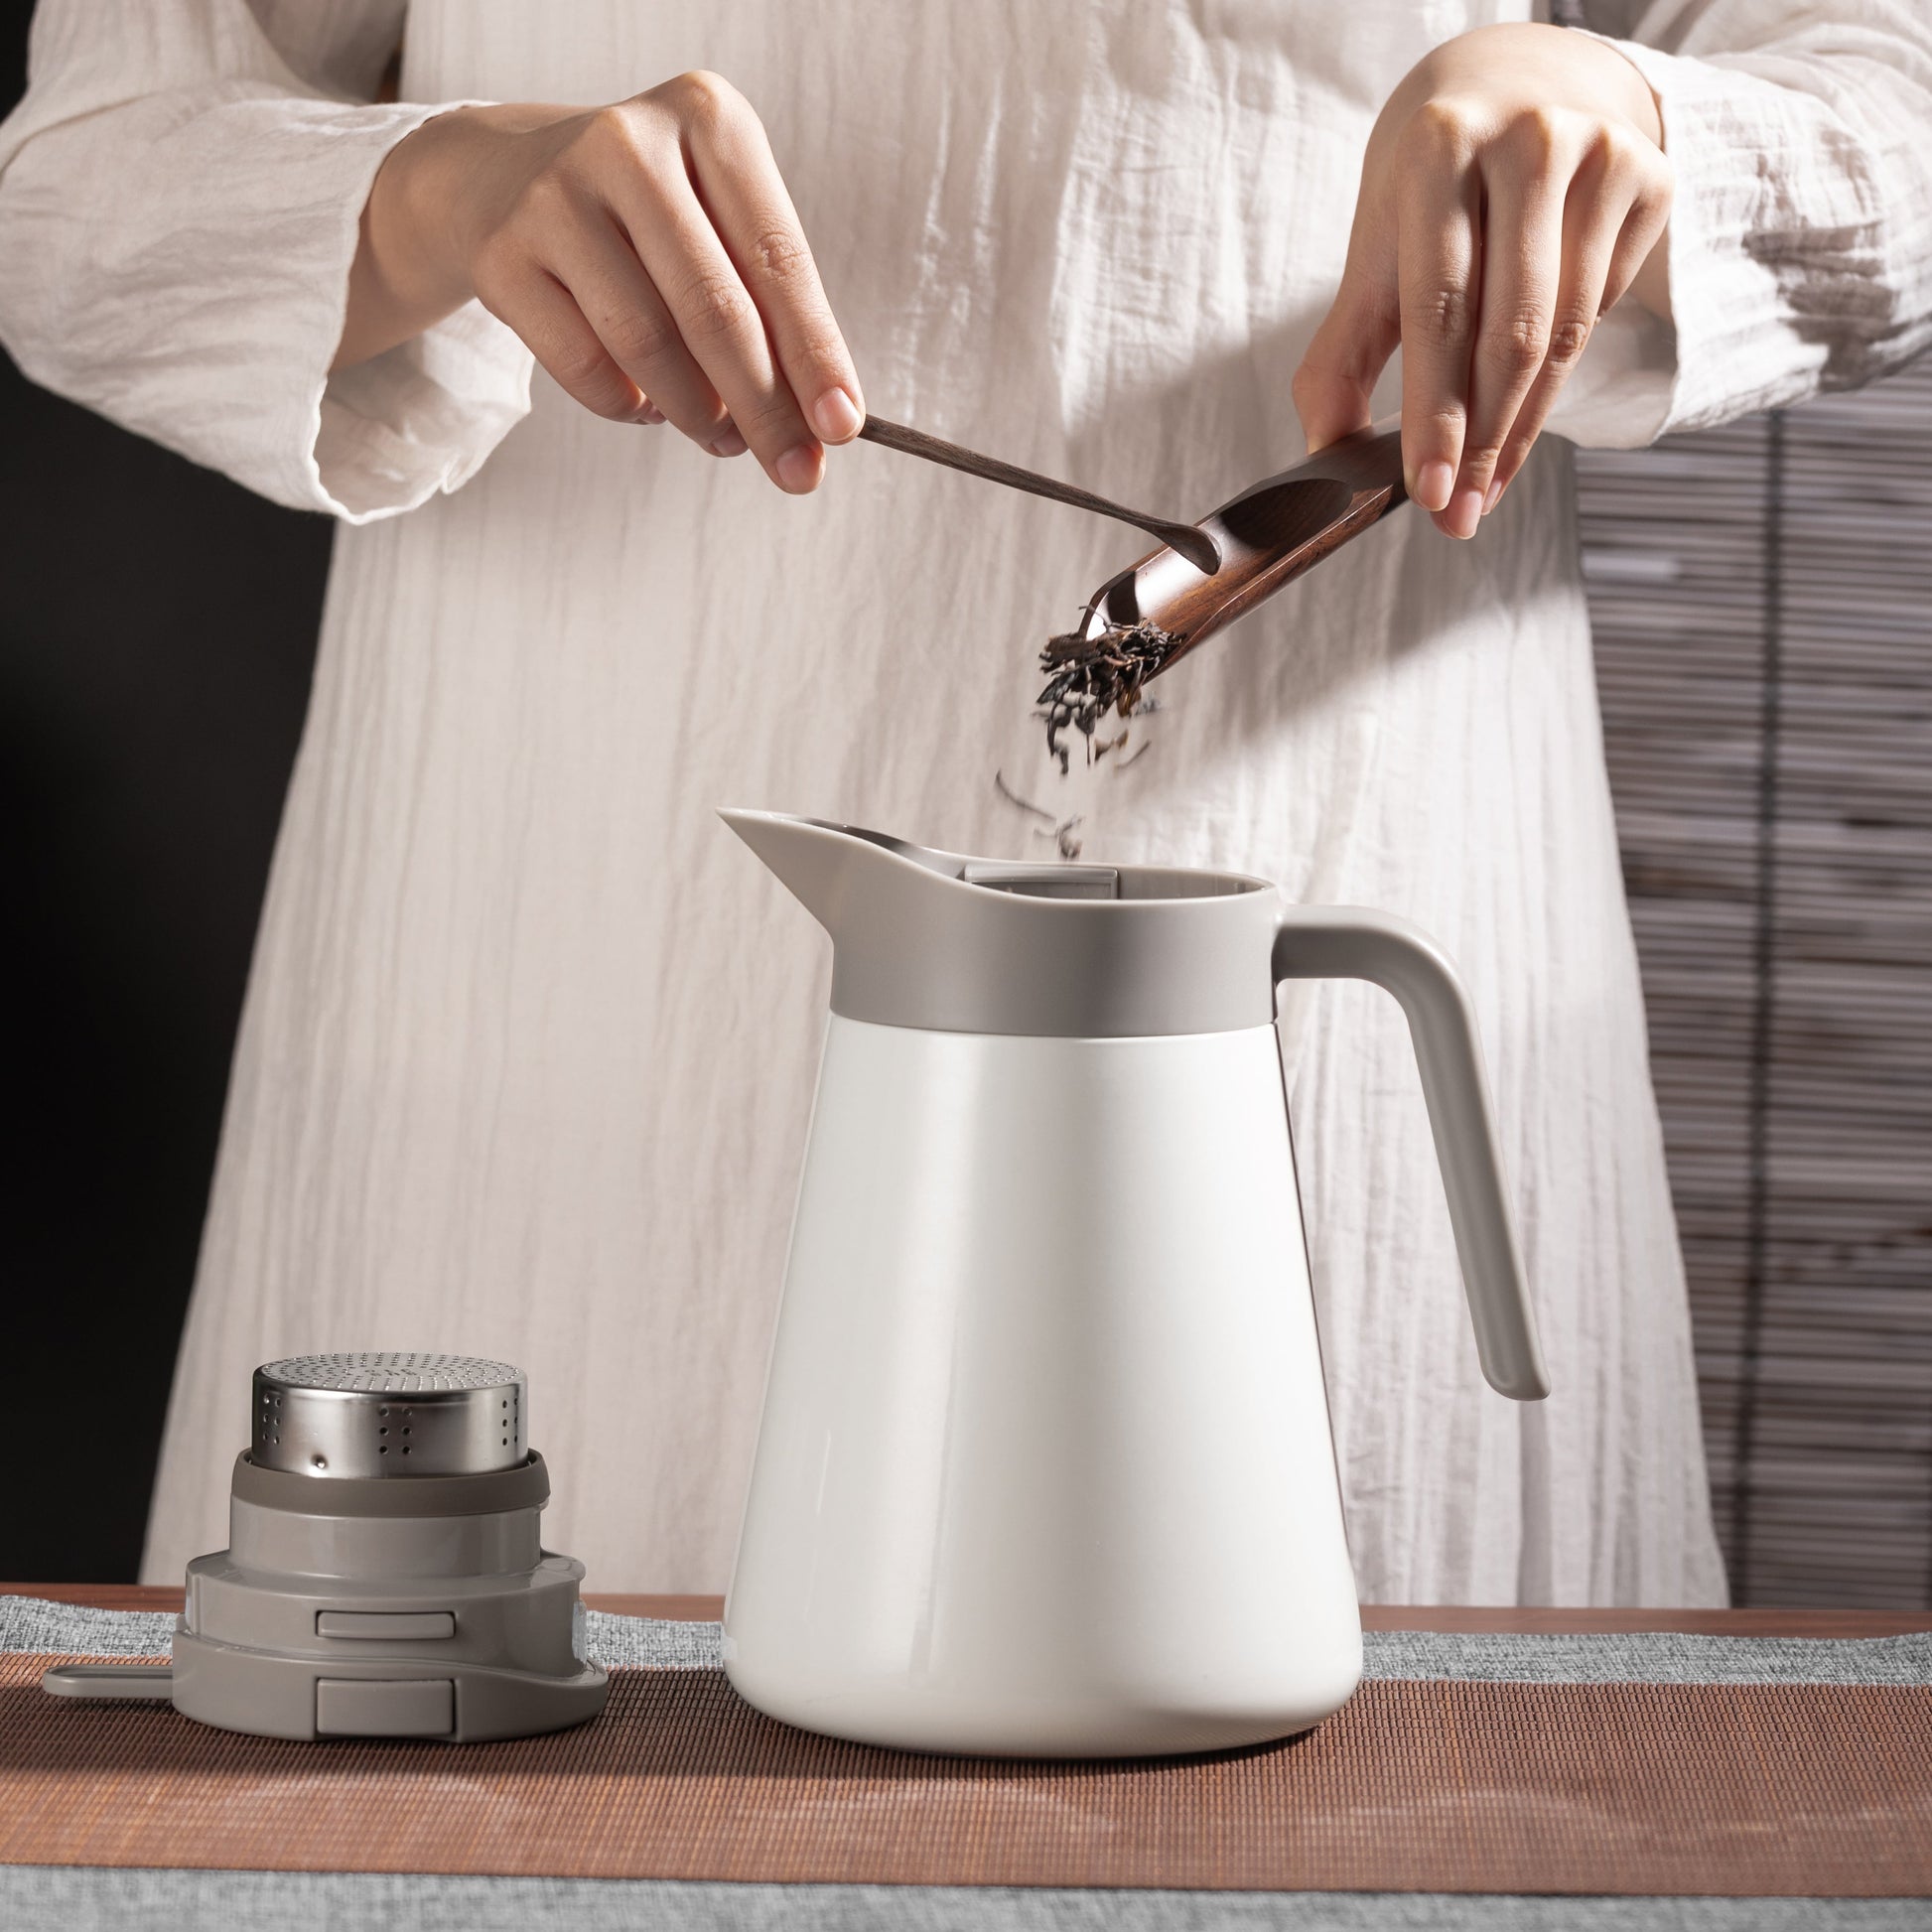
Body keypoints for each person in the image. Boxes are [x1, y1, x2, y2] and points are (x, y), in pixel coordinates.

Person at [3, 0, 1927, 1603]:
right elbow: (83, 189)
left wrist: (1624, 122)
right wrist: (442, 186)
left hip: (1336, 987)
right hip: (567, 990)